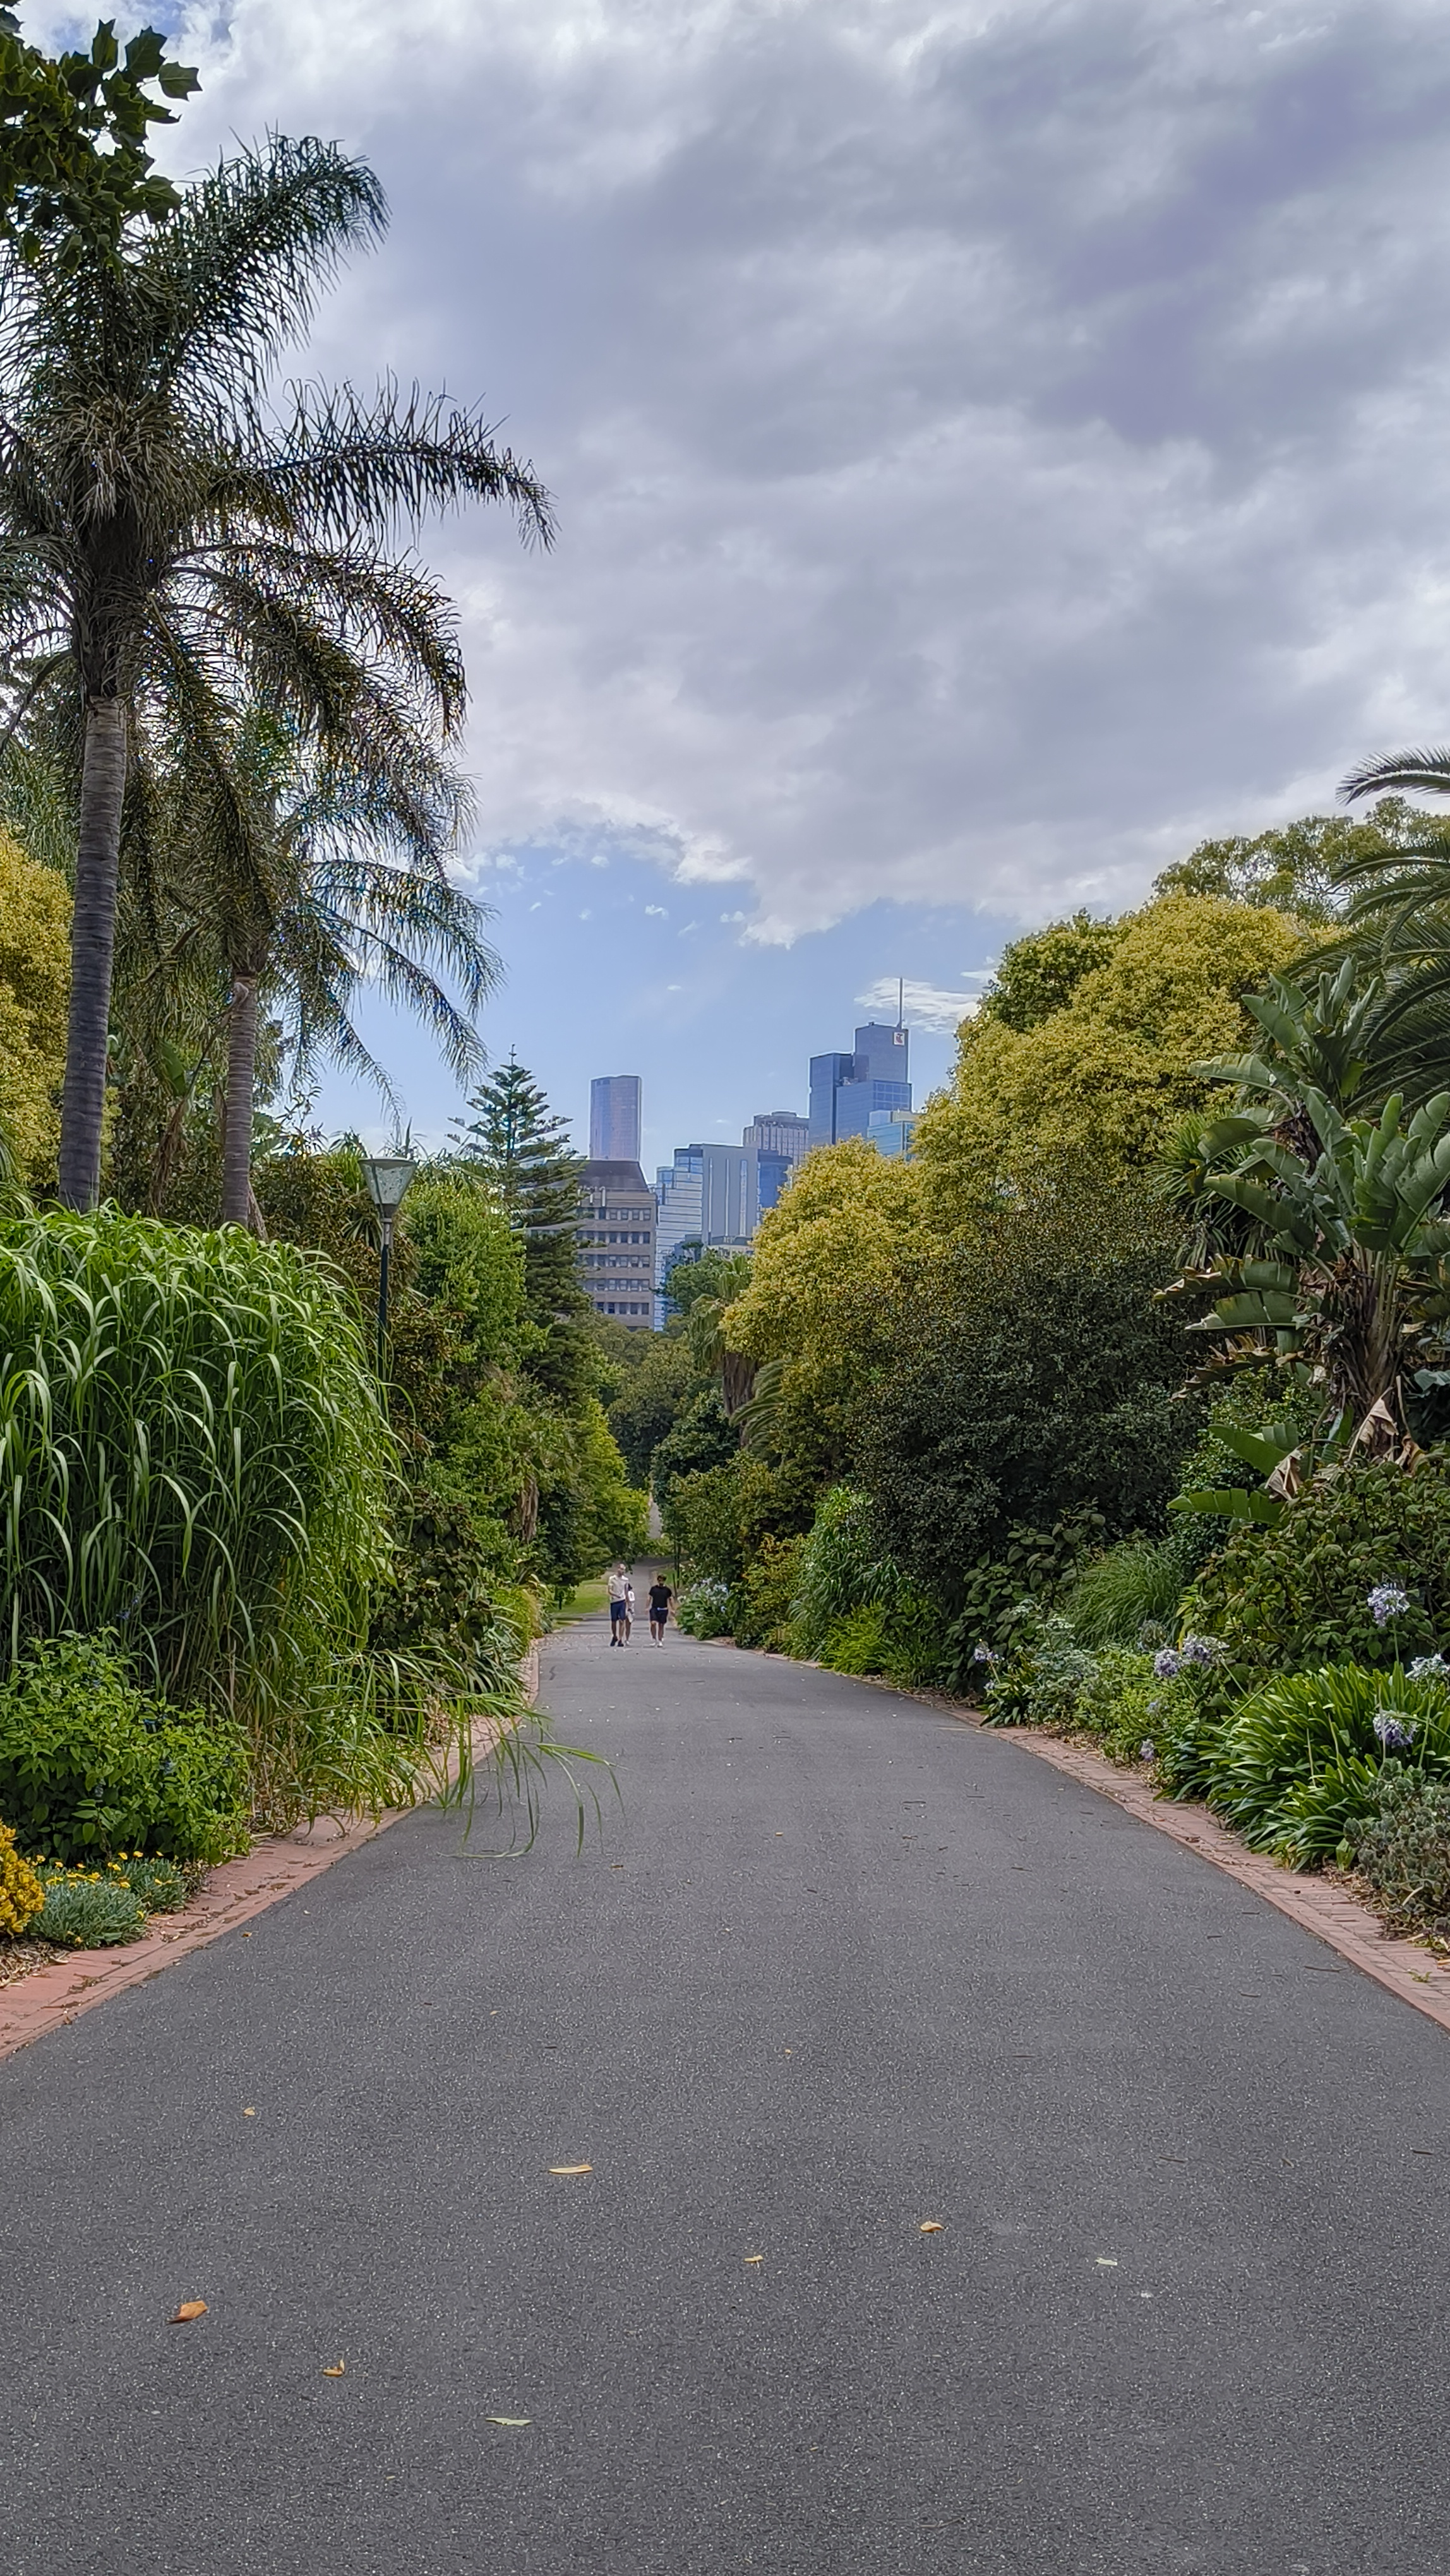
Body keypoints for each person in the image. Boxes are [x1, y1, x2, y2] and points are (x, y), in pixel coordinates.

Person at [607, 1563, 629, 1647]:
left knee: (622, 1620)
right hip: (614, 1601)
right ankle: (615, 1636)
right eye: (621, 1569)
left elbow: (626, 1592)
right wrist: (615, 1595)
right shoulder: (612, 1579)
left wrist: (628, 1604)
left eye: (624, 1570)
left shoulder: (626, 1580)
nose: (622, 1571)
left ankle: (620, 1639)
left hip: (622, 1601)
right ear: (618, 1569)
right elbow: (609, 1590)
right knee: (614, 1621)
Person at [647, 1575, 674, 1644]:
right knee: (653, 1623)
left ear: (664, 1580)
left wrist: (673, 1609)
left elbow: (671, 1599)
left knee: (661, 1625)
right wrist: (647, 1607)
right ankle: (654, 1638)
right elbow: (649, 1597)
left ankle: (660, 1639)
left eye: (662, 1580)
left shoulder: (667, 1590)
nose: (661, 1581)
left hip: (664, 1609)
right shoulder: (654, 1589)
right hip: (654, 1608)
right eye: (660, 1580)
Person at [624, 1576, 636, 1642]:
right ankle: (624, 1638)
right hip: (624, 1610)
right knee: (625, 1625)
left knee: (628, 1625)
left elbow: (631, 1601)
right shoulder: (621, 1594)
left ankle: (627, 1639)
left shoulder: (631, 1593)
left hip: (629, 1610)